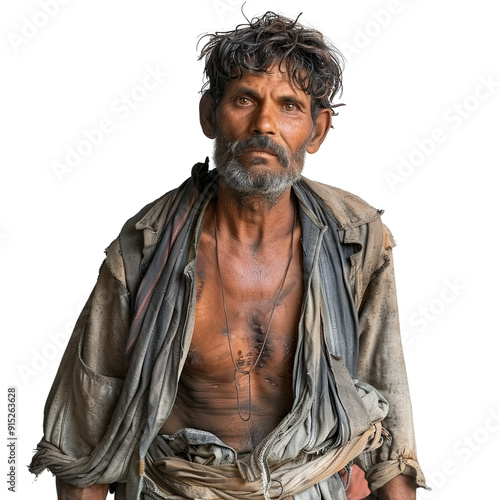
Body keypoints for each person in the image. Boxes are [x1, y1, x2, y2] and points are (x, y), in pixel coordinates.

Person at [30, 11, 427, 500]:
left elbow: (387, 405)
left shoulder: (356, 239)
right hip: (181, 489)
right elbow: (82, 436)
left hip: (310, 484)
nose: (264, 124)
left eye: (289, 106)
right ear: (209, 114)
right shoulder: (145, 249)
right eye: (244, 99)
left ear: (317, 130)